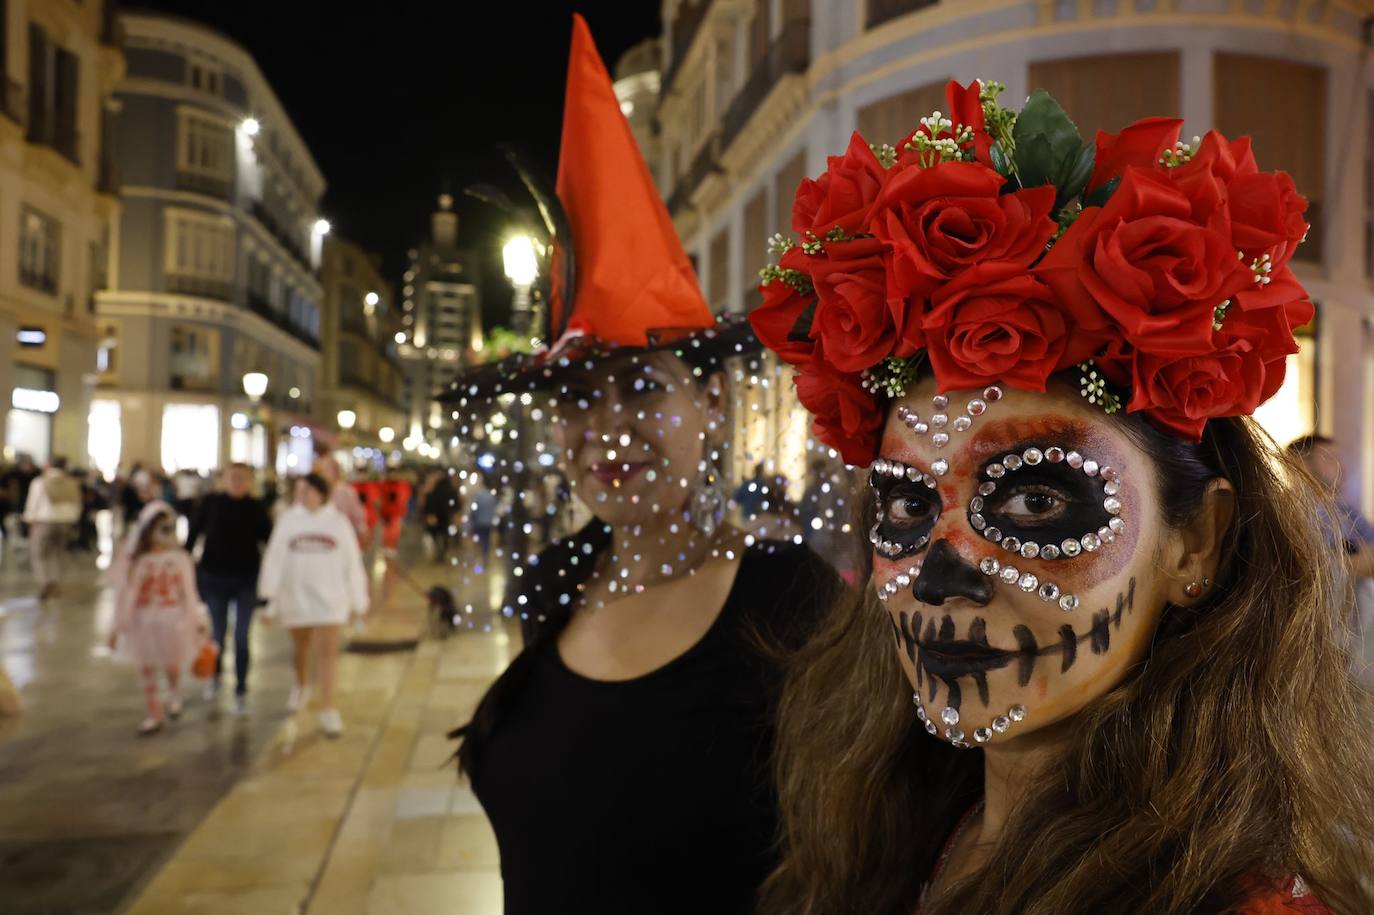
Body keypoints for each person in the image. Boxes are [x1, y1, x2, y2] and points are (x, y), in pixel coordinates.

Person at [747, 82, 1374, 913]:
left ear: (1196, 543)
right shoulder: (912, 829)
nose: (937, 580)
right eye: (903, 507)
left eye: (1036, 503)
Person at [451, 18, 840, 915]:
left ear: (708, 403)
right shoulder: (552, 580)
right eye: (577, 397)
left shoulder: (792, 601)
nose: (607, 427)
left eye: (640, 385)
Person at [257, 473, 369, 737]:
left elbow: (351, 563)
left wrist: (358, 600)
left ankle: (329, 709)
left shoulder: (338, 523)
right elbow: (275, 560)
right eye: (299, 490)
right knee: (301, 648)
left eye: (307, 490)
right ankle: (301, 683)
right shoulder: (288, 522)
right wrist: (270, 599)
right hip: (296, 598)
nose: (302, 495)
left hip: (331, 601)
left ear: (321, 493)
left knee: (328, 655)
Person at [108, 501, 209, 735]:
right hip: (143, 622)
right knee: (146, 668)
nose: (166, 534)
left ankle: (174, 694)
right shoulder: (139, 562)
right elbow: (129, 595)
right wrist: (118, 626)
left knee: (171, 664)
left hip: (172, 620)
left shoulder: (180, 560)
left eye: (169, 528)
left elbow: (189, 593)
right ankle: (154, 712)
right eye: (161, 529)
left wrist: (197, 621)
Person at [186, 463, 272, 715]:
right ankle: (215, 676)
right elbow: (192, 537)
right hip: (215, 579)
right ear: (222, 479)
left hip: (246, 580)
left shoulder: (256, 508)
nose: (237, 482)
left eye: (243, 478)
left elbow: (270, 541)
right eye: (232, 477)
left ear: (250, 482)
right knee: (218, 633)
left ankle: (241, 688)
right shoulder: (210, 504)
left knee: (242, 635)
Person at [22, 456, 81, 600]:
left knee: (39, 554)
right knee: (58, 553)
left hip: (43, 521)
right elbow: (77, 504)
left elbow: (33, 502)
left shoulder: (40, 482)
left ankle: (44, 582)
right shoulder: (72, 483)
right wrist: (73, 519)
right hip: (65, 523)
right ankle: (55, 582)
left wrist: (29, 519)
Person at [314, 451, 369, 549]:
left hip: (343, 538)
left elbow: (357, 514)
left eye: (326, 470)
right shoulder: (317, 493)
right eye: (321, 470)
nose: (322, 474)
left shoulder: (346, 491)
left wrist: (361, 531)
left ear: (335, 471)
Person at [421, 468, 457, 562]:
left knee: (438, 535)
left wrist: (430, 513)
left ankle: (440, 554)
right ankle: (441, 553)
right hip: (443, 516)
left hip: (440, 516)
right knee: (442, 535)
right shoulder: (446, 487)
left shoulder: (435, 488)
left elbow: (429, 502)